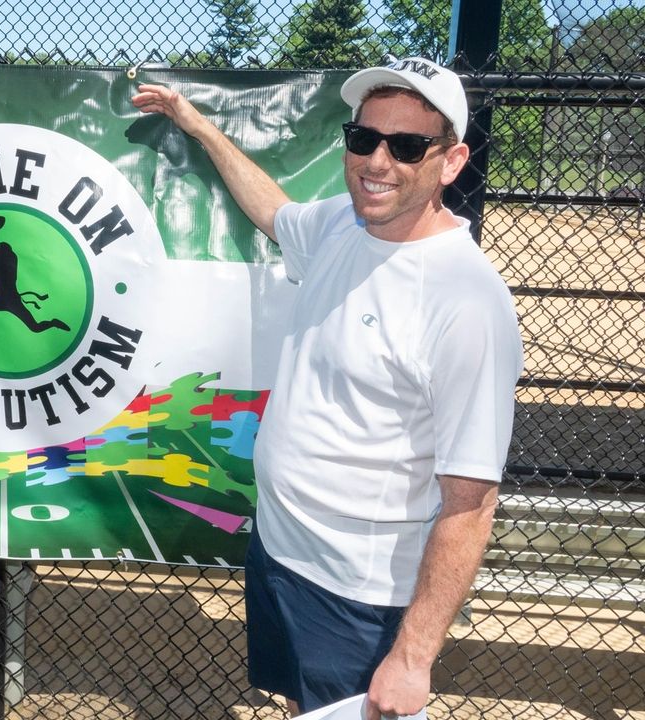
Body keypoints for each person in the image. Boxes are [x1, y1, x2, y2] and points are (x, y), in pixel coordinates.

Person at [133, 57, 523, 719]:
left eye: (406, 146)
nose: (376, 161)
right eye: (363, 138)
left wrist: (413, 656)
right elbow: (274, 211)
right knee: (296, 704)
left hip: (358, 598)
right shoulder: (342, 228)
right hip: (281, 552)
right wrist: (196, 125)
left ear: (451, 162)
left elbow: (471, 501)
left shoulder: (467, 303)